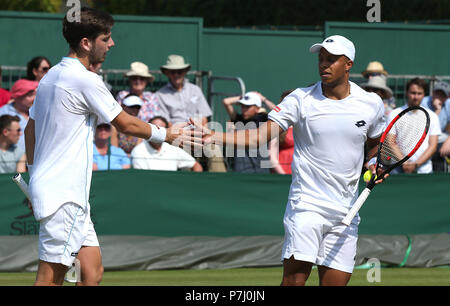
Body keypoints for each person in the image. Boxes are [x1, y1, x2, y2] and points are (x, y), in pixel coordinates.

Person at [24, 7, 201, 286]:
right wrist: (166, 134)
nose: (112, 44)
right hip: (64, 197)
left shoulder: (51, 76)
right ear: (86, 43)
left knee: (92, 273)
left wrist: (35, 176)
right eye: (106, 38)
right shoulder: (84, 79)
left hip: (67, 196)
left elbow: (30, 128)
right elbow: (127, 125)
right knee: (49, 279)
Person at [198, 35, 387, 286]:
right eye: (321, 59)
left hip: (347, 209)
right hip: (306, 204)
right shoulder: (300, 98)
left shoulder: (371, 103)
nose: (324, 65)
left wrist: (375, 165)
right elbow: (260, 136)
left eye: (331, 60)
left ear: (348, 64)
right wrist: (215, 135)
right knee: (293, 282)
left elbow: (374, 147)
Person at [157, 54, 226, 172]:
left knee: (214, 149)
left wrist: (199, 135)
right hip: (178, 138)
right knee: (183, 157)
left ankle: (220, 184)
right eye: (173, 72)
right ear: (167, 73)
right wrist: (183, 136)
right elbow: (166, 124)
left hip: (199, 134)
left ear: (184, 72)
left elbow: (204, 118)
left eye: (179, 71)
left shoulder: (195, 89)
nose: (176, 74)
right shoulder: (160, 95)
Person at [387, 78, 441, 174]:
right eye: (413, 93)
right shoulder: (394, 114)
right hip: (397, 171)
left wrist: (416, 164)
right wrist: (405, 163)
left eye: (419, 93)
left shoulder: (432, 116)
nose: (416, 97)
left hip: (424, 171)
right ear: (407, 93)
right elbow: (390, 142)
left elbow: (433, 146)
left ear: (424, 95)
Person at [223, 91, 274, 173]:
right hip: (241, 168)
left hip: (261, 168)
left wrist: (263, 99)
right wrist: (242, 97)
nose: (244, 110)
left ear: (257, 108)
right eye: (242, 106)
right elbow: (226, 102)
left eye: (248, 107)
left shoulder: (264, 119)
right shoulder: (238, 119)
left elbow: (278, 111)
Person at [131, 116, 203, 172]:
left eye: (161, 129)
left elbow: (197, 166)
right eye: (155, 128)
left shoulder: (173, 148)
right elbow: (142, 178)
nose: (158, 132)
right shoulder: (138, 150)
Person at [0, 79, 38, 151]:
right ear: (17, 96)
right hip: (11, 160)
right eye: (30, 95)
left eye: (35, 95)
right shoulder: (3, 113)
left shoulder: (38, 112)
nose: (34, 99)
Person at [420, 80, 449, 172]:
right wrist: (437, 110)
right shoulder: (423, 102)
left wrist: (449, 141)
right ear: (432, 93)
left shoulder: (448, 103)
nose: (439, 97)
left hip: (441, 137)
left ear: (447, 97)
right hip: (423, 137)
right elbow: (426, 128)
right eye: (437, 93)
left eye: (442, 95)